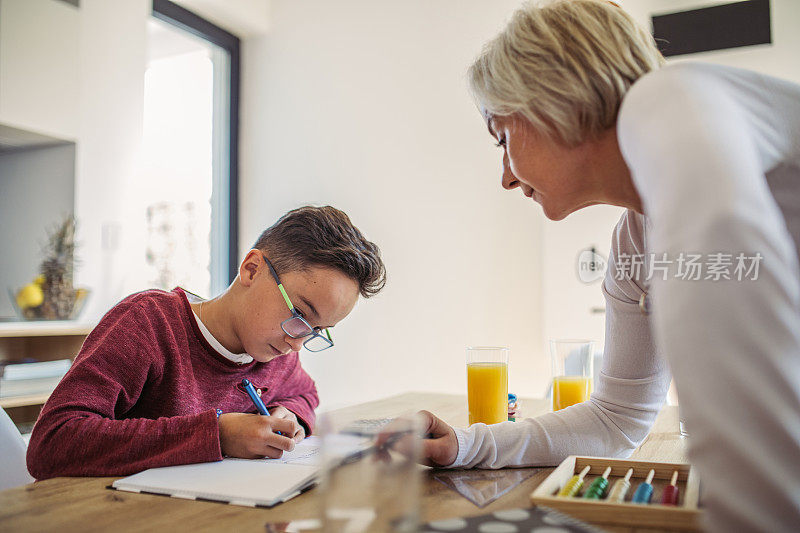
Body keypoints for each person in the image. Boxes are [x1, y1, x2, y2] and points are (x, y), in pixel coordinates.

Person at [409, 1, 800, 530]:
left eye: (502, 139)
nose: (504, 176)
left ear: (552, 100)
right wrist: (467, 443)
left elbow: (758, 453)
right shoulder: (636, 238)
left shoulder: (671, 103)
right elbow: (617, 418)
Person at [27, 205, 386, 480]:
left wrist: (291, 416)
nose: (297, 343)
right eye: (301, 314)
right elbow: (52, 442)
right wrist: (215, 434)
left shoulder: (276, 352)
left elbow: (305, 394)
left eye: (317, 330)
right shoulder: (149, 323)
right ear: (252, 269)